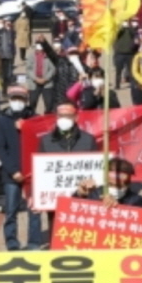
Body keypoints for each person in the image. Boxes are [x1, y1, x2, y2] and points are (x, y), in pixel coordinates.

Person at [37, 101, 98, 240]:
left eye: (68, 116)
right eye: (60, 116)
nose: (64, 119)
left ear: (76, 117)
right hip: (55, 201)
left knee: (81, 235)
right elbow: (40, 171)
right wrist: (37, 196)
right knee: (57, 235)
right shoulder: (46, 141)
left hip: (83, 200)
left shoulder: (88, 140)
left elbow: (95, 169)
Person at [0, 84, 40, 250]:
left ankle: (34, 242)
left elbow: (42, 140)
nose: (18, 102)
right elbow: (0, 148)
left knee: (34, 209)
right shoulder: (2, 121)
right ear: (10, 100)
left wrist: (27, 126)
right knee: (11, 210)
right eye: (14, 99)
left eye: (21, 99)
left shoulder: (35, 119)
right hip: (11, 173)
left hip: (33, 172)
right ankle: (12, 242)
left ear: (26, 101)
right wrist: (13, 171)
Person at [74, 158, 142, 208]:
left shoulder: (138, 201)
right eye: (111, 185)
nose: (116, 177)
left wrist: (117, 207)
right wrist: (80, 195)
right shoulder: (93, 194)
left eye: (119, 186)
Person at [26, 39, 56, 114]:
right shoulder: (31, 56)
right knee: (32, 102)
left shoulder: (49, 56)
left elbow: (53, 69)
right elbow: (28, 69)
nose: (39, 50)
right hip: (34, 83)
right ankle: (33, 116)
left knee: (49, 103)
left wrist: (46, 79)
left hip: (47, 83)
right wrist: (35, 78)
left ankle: (47, 117)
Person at [114, 21, 137, 89]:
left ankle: (132, 84)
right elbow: (117, 33)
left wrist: (129, 27)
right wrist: (122, 27)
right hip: (119, 53)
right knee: (118, 70)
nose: (125, 23)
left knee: (131, 70)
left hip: (129, 53)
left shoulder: (131, 29)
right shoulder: (118, 29)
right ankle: (117, 85)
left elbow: (133, 34)